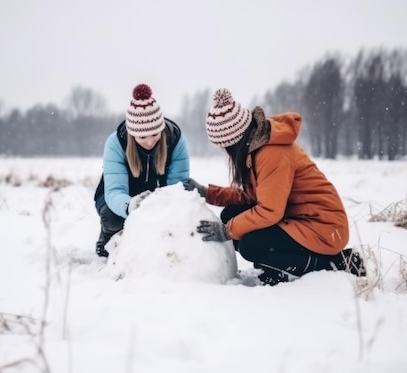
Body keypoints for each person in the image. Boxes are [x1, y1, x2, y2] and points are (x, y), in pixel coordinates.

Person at [185, 88, 365, 285]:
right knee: (231, 215)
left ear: (233, 141)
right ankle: (276, 265)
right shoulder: (255, 149)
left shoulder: (271, 153)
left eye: (222, 146)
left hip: (323, 227)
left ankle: (342, 262)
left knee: (250, 245)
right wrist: (208, 193)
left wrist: (227, 231)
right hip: (297, 218)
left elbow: (270, 210)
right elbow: (253, 197)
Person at [93, 83, 190, 257]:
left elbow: (178, 186)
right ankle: (108, 235)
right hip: (119, 197)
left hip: (156, 194)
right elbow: (115, 190)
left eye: (155, 134)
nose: (149, 141)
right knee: (113, 218)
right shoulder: (116, 143)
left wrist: (165, 206)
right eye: (142, 136)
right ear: (132, 133)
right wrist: (129, 205)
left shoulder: (175, 141)